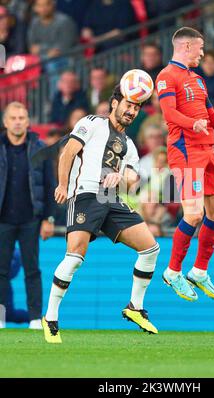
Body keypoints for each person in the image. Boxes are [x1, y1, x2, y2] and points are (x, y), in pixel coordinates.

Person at [42, 85, 160, 343]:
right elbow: (68, 152)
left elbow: (131, 178)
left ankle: (135, 307)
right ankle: (50, 317)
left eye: (136, 107)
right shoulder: (92, 122)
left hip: (111, 198)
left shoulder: (129, 144)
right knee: (74, 258)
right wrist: (63, 185)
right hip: (85, 194)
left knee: (151, 249)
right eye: (128, 105)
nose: (132, 111)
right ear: (114, 104)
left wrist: (121, 176)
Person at [155, 27, 214, 302]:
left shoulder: (199, 81)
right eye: (200, 48)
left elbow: (209, 119)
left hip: (208, 150)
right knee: (193, 215)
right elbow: (169, 113)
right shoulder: (166, 76)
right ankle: (172, 271)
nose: (203, 53)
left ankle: (199, 271)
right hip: (185, 150)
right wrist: (193, 123)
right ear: (187, 46)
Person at [0, 102, 56, 330]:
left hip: (31, 219)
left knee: (32, 270)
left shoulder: (40, 148)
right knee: (0, 270)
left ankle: (35, 318)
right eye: (13, 118)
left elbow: (50, 185)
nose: (17, 121)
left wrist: (48, 219)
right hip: (3, 218)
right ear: (5, 122)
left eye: (21, 117)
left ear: (28, 121)